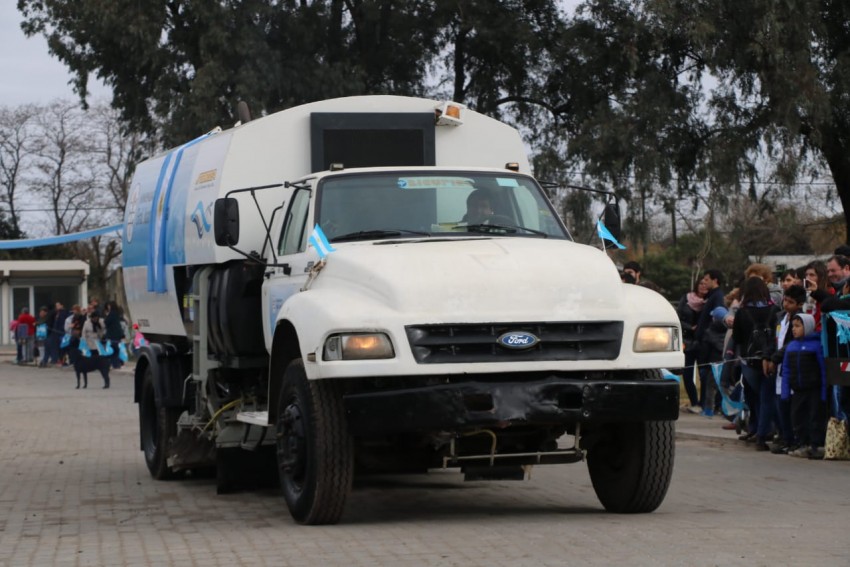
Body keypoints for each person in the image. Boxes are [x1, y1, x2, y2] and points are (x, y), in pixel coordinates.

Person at [732, 276, 780, 450]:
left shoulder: (742, 312)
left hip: (749, 360)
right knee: (768, 397)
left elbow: (737, 337)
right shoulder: (775, 310)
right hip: (770, 360)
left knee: (754, 396)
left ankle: (758, 430)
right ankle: (767, 431)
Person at [766, 285, 807, 454]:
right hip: (778, 368)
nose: (786, 304)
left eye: (791, 302)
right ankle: (784, 436)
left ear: (799, 303)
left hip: (791, 367)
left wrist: (776, 358)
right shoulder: (780, 317)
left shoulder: (801, 320)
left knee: (790, 406)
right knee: (779, 404)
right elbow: (773, 339)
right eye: (785, 300)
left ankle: (792, 438)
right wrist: (768, 356)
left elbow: (792, 343)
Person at [781, 313, 828, 459]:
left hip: (813, 389)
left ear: (807, 327)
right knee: (798, 417)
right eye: (793, 326)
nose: (794, 329)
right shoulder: (791, 347)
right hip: (798, 390)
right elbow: (786, 370)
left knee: (815, 417)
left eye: (798, 326)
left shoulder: (816, 345)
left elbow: (823, 370)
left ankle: (815, 445)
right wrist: (785, 392)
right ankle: (802, 444)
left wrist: (824, 392)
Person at [693, 269, 726, 416]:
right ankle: (707, 404)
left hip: (711, 342)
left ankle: (712, 406)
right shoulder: (711, 296)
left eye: (707, 279)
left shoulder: (717, 296)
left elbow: (717, 319)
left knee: (711, 375)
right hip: (706, 340)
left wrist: (707, 333)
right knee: (705, 374)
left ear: (715, 280)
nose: (704, 282)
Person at [677, 279, 708, 410]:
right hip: (688, 340)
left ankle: (704, 403)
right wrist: (690, 327)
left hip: (703, 342)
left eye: (706, 284)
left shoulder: (710, 302)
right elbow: (678, 317)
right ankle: (694, 402)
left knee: (704, 374)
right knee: (687, 374)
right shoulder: (686, 298)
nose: (703, 286)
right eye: (701, 283)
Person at [80, 311, 111, 389]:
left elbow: (105, 330)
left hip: (99, 343)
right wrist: (83, 344)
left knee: (102, 363)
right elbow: (83, 334)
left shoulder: (101, 322)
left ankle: (106, 380)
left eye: (97, 318)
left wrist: (103, 335)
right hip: (89, 342)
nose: (95, 319)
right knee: (92, 359)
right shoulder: (87, 323)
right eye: (94, 318)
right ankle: (93, 367)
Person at [103, 301, 125, 369]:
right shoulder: (117, 313)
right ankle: (116, 363)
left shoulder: (112, 313)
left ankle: (114, 363)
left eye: (109, 305)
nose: (108, 307)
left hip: (112, 334)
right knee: (115, 348)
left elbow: (106, 322)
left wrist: (107, 316)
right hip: (117, 334)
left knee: (113, 349)